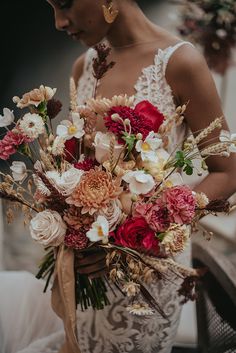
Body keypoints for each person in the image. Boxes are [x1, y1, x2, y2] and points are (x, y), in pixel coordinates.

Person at [1, 0, 236, 352]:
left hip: (147, 272)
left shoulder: (180, 62)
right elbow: (77, 163)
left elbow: (228, 170)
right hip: (86, 269)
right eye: (51, 7)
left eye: (65, 4)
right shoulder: (86, 65)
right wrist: (68, 217)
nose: (59, 22)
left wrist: (147, 233)